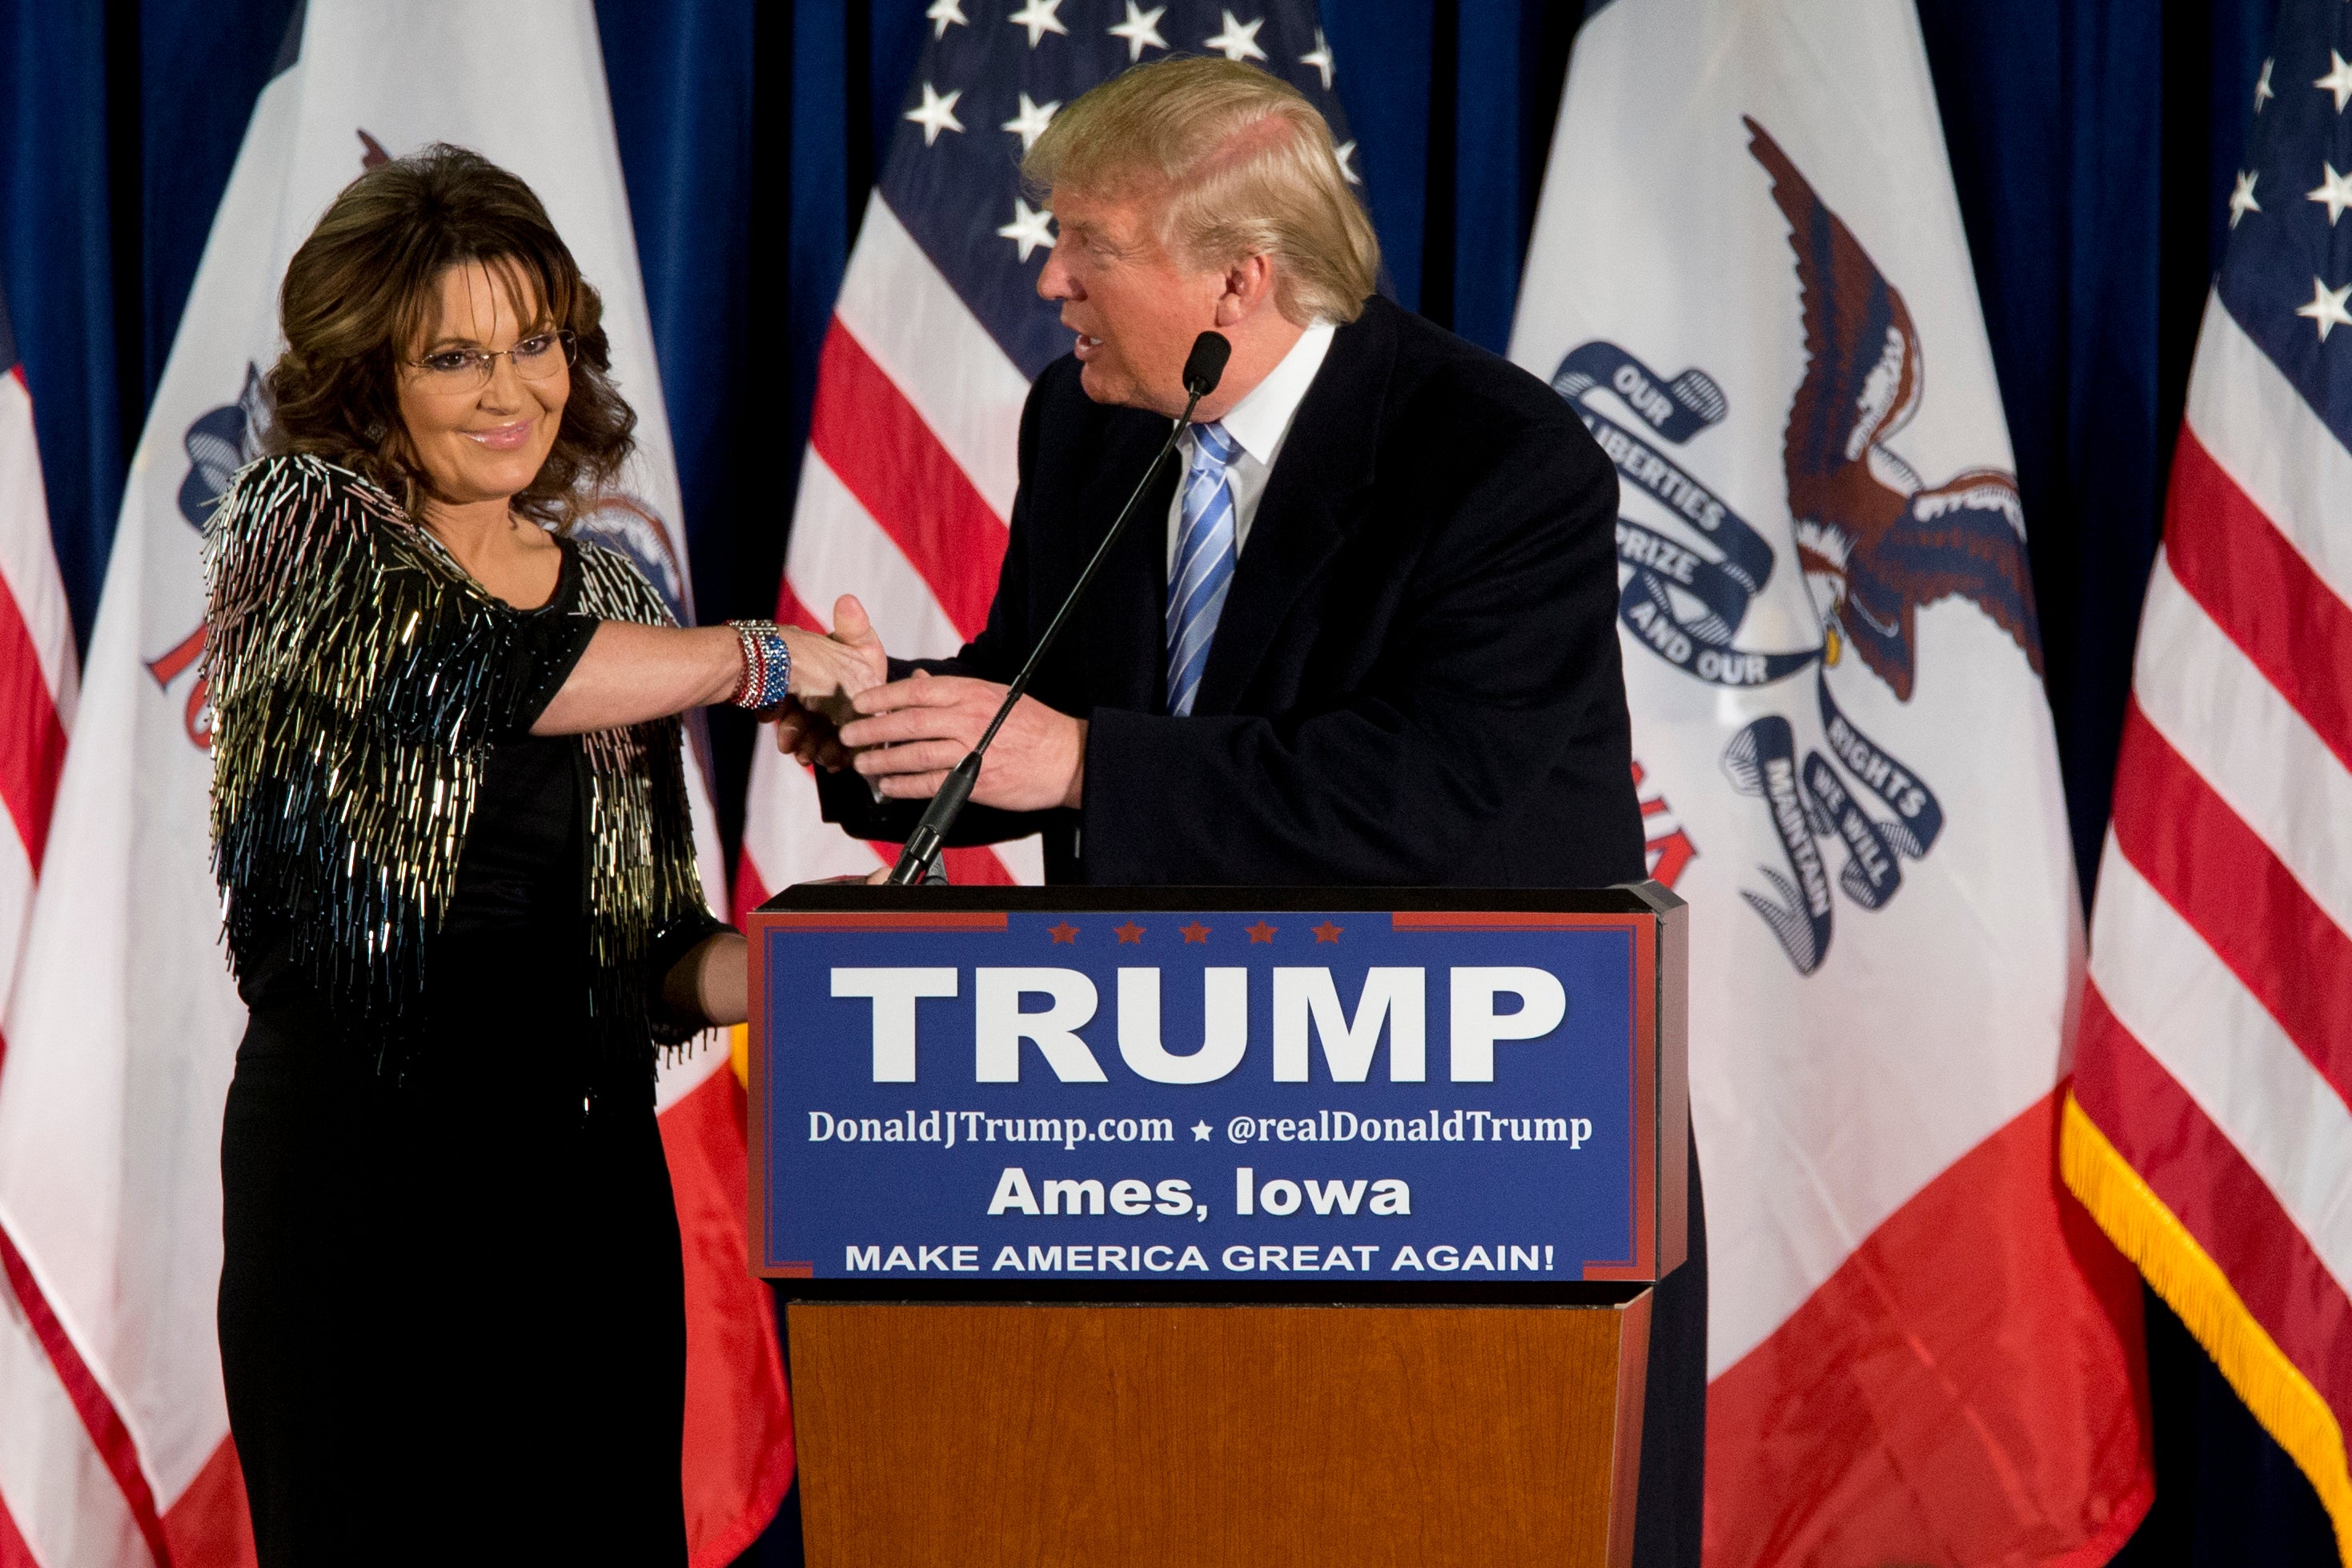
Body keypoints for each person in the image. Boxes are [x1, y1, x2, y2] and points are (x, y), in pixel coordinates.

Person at [785, 58, 1705, 1564]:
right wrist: (874, 726)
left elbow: (1431, 787)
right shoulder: (1083, 424)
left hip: (1459, 1142)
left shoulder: (1496, 455)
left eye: (1087, 242)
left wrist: (1079, 765)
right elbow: (1040, 693)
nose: (1048, 275)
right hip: (1147, 1144)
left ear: (1237, 276)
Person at [205, 145, 875, 1565]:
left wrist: (812, 966)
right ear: (363, 372)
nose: (513, 392)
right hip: (363, 1194)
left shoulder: (616, 594)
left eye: (539, 343)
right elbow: (474, 672)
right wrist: (762, 661)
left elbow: (651, 958)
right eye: (455, 357)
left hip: (581, 1205)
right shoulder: (294, 532)